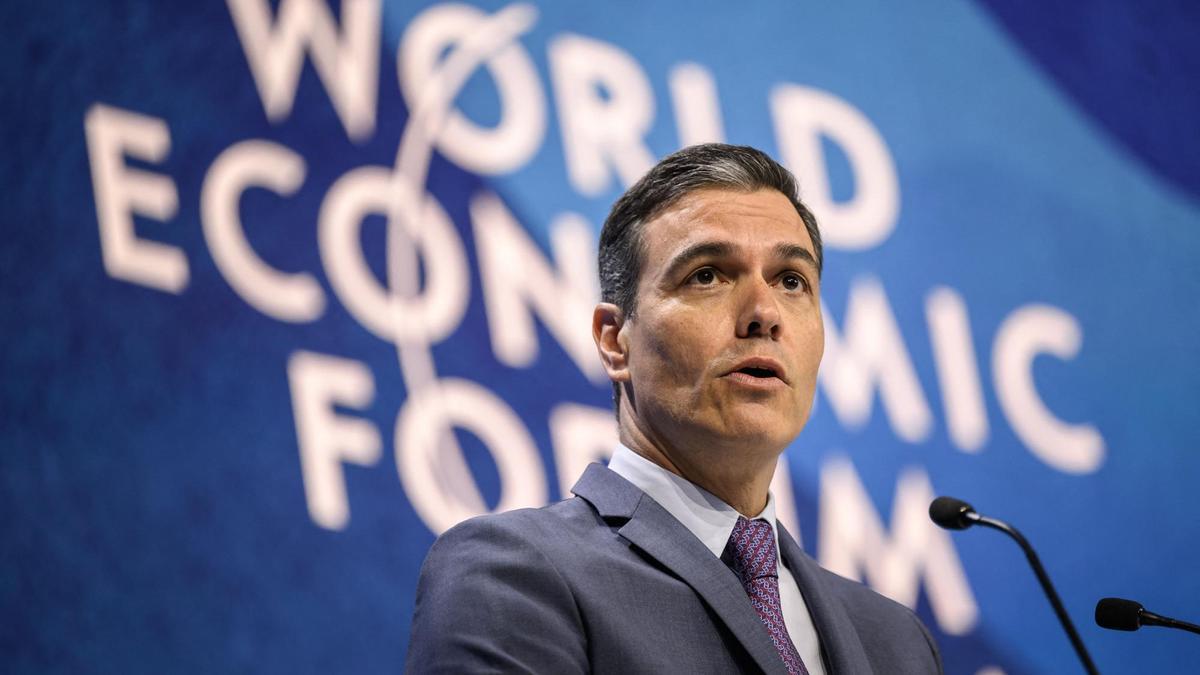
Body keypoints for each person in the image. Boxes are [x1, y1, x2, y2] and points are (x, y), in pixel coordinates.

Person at [405, 144, 943, 674]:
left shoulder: (897, 642)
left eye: (791, 281)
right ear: (616, 341)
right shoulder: (513, 574)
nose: (764, 313)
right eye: (707, 275)